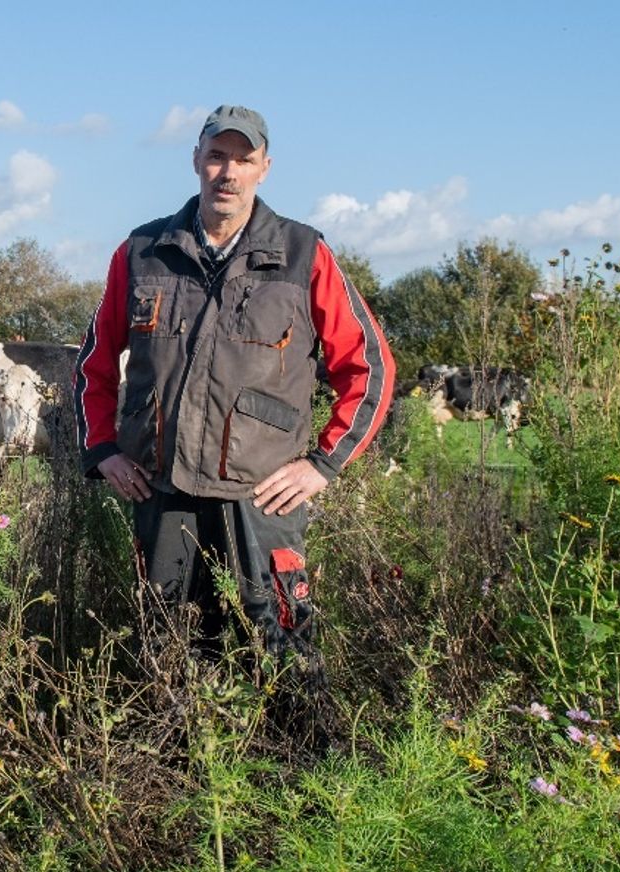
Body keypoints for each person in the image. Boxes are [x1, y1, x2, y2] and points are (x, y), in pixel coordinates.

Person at [73, 105, 394, 656]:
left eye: (243, 159)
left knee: (280, 639)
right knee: (169, 642)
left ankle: (292, 742)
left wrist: (322, 464)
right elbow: (94, 364)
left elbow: (370, 368)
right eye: (217, 156)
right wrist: (103, 448)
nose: (228, 172)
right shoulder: (142, 252)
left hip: (262, 496)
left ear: (264, 167)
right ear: (196, 160)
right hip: (161, 486)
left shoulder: (302, 253)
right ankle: (180, 742)